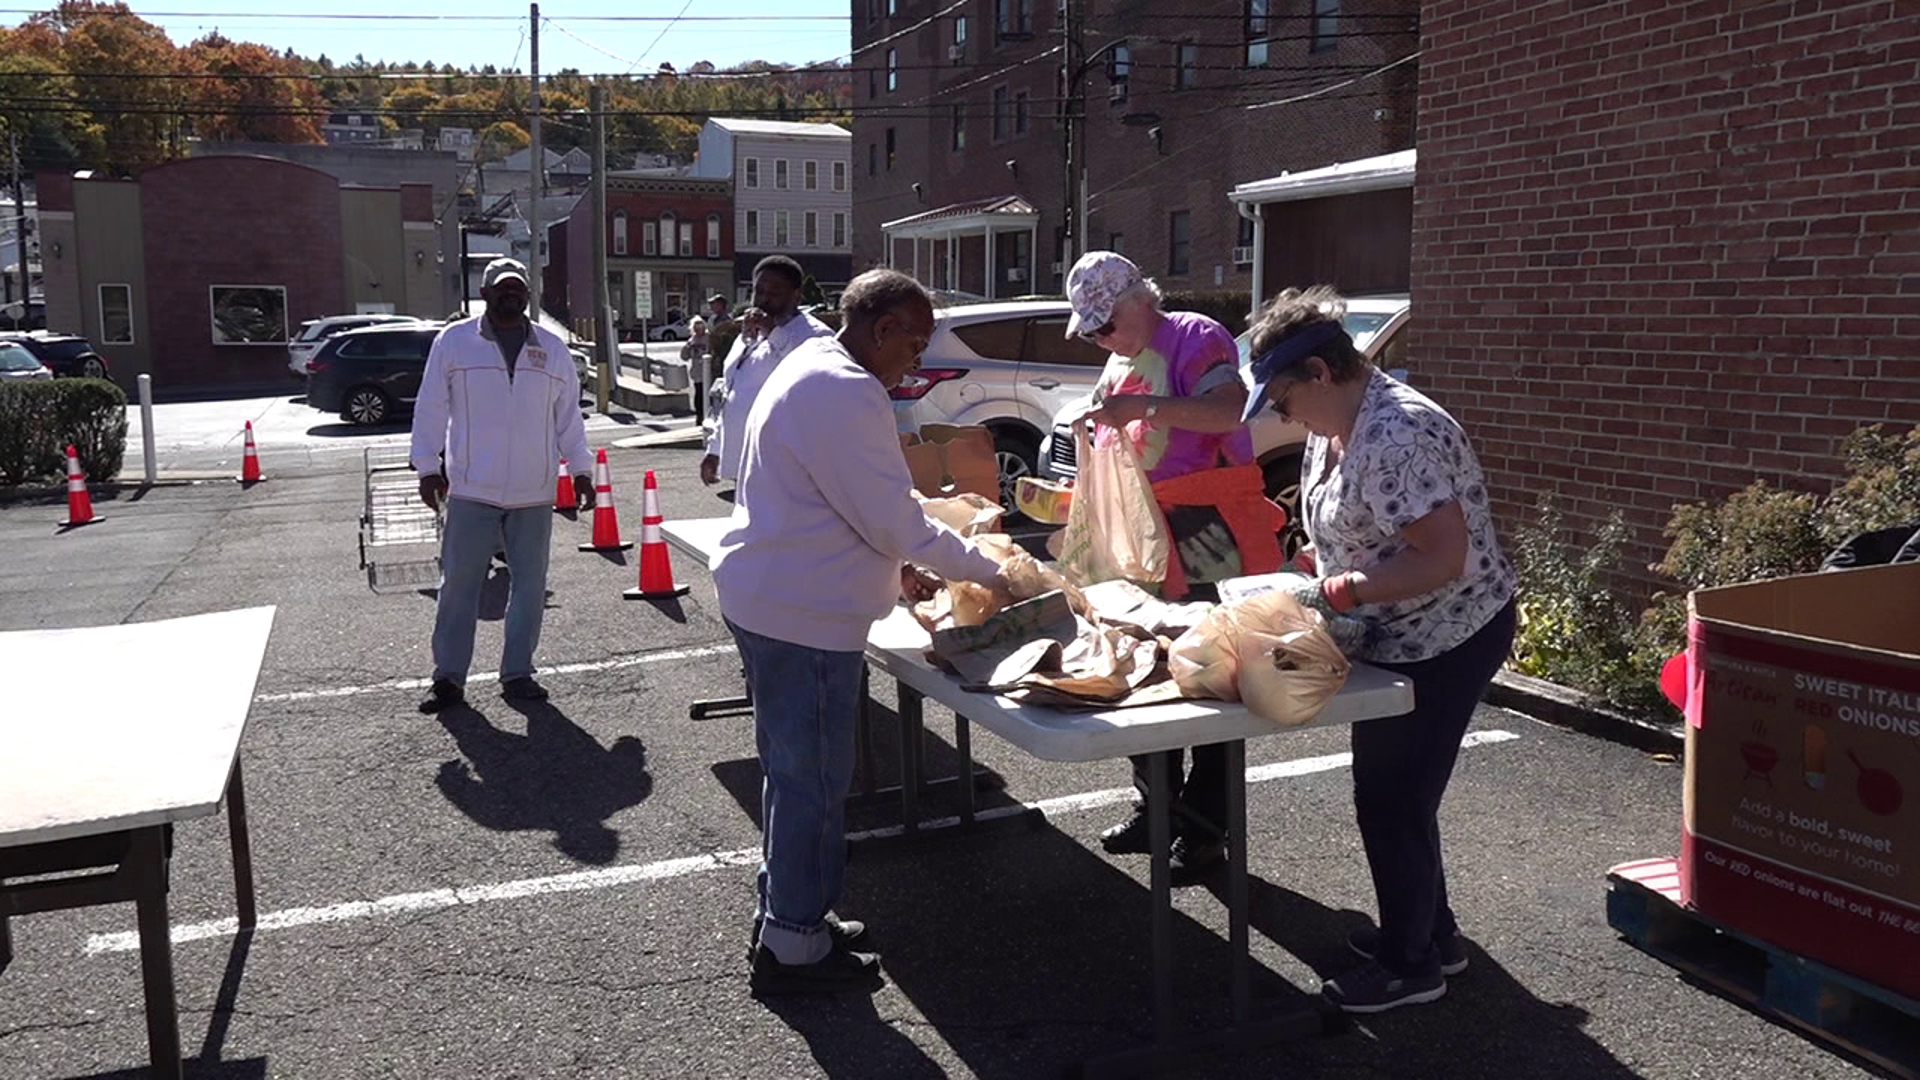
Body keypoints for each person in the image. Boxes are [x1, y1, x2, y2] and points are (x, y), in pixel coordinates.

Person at [711, 269, 1012, 996]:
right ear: (880, 330)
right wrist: (995, 572)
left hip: (778, 597)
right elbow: (892, 518)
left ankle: (789, 912)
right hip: (804, 616)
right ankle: (794, 943)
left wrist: (896, 563)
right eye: (914, 340)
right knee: (812, 782)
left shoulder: (813, 366)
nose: (919, 356)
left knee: (794, 777)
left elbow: (848, 503)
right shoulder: (846, 389)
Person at [1240, 285, 1518, 1013]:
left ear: (1322, 374)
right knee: (1399, 796)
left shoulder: (1398, 436)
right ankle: (1433, 935)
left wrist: (1342, 594)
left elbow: (1439, 558)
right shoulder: (1340, 425)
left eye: (1282, 398)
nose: (1280, 413)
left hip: (1447, 633)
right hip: (1403, 631)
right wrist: (1316, 567)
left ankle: (1410, 963)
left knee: (1393, 799)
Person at [1068, 250, 1288, 877]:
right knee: (1145, 669)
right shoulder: (1119, 361)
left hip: (1208, 532)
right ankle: (1157, 809)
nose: (1097, 338)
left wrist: (1139, 410)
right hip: (1142, 538)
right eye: (1089, 329)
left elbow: (1227, 409)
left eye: (1102, 324)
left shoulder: (1194, 335)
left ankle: (1203, 831)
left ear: (1138, 299)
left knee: (1216, 678)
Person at [410, 257, 594, 714]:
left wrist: (582, 468)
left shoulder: (552, 349)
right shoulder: (455, 343)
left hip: (534, 489)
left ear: (527, 296)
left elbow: (568, 416)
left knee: (530, 585)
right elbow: (431, 406)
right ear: (486, 294)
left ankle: (518, 673)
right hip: (473, 487)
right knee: (459, 586)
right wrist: (426, 467)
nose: (511, 295)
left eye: (518, 289)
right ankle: (449, 677)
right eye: (502, 288)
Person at [701, 256, 833, 493]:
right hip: (744, 464)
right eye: (758, 290)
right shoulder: (750, 336)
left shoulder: (814, 335)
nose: (763, 298)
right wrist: (715, 450)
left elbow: (810, 380)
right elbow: (732, 394)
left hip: (785, 469)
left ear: (796, 295)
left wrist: (773, 332)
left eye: (774, 292)